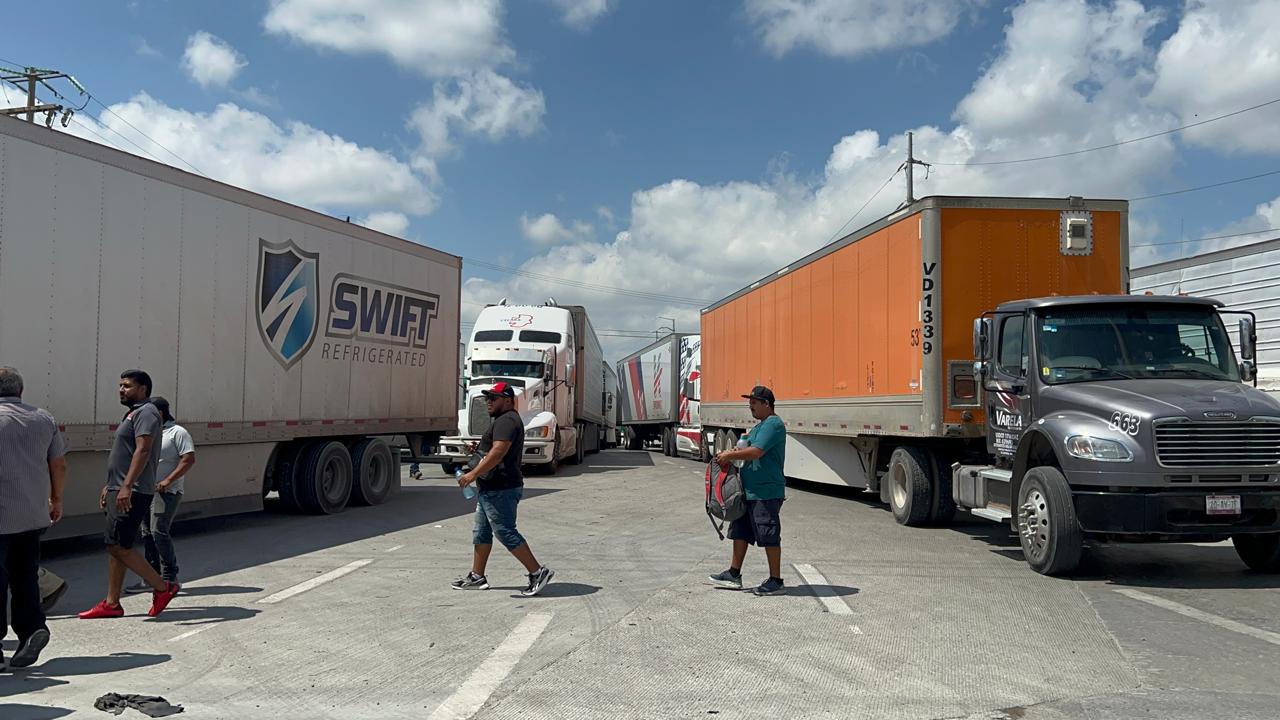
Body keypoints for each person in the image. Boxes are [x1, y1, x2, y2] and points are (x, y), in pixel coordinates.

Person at [79, 370, 180, 619]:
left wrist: (126, 486)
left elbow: (143, 451)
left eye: (127, 386)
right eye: (120, 385)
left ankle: (163, 587)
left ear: (143, 388)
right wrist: (112, 484)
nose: (121, 389)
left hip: (132, 491)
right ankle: (112, 603)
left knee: (117, 546)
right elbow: (126, 454)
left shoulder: (146, 412)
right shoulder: (133, 412)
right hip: (121, 487)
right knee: (118, 545)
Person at [451, 382, 554, 597]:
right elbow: (494, 449)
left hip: (502, 488)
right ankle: (477, 576)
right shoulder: (504, 420)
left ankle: (537, 572)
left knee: (505, 531)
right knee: (481, 532)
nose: (488, 402)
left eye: (493, 398)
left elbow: (498, 453)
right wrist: (479, 450)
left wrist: (472, 474)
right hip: (491, 488)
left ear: (507, 400)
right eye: (488, 397)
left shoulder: (507, 420)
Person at [0, 367, 65, 669]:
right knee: (25, 575)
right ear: (20, 391)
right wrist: (56, 499)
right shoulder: (43, 418)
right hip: (31, 513)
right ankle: (32, 629)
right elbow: (58, 465)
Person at [708, 386, 788, 596]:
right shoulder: (759, 427)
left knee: (768, 533)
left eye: (754, 402)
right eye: (749, 402)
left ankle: (776, 580)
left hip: (766, 492)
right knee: (740, 531)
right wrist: (735, 451)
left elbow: (756, 452)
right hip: (749, 491)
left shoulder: (774, 425)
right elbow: (747, 447)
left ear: (766, 404)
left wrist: (731, 456)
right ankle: (734, 574)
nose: (750, 406)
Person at [125, 397, 195, 594]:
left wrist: (168, 481)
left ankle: (170, 577)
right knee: (147, 534)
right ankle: (151, 577)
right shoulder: (150, 433)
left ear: (160, 413)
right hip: (146, 490)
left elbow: (188, 459)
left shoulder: (177, 432)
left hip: (166, 492)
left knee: (159, 531)